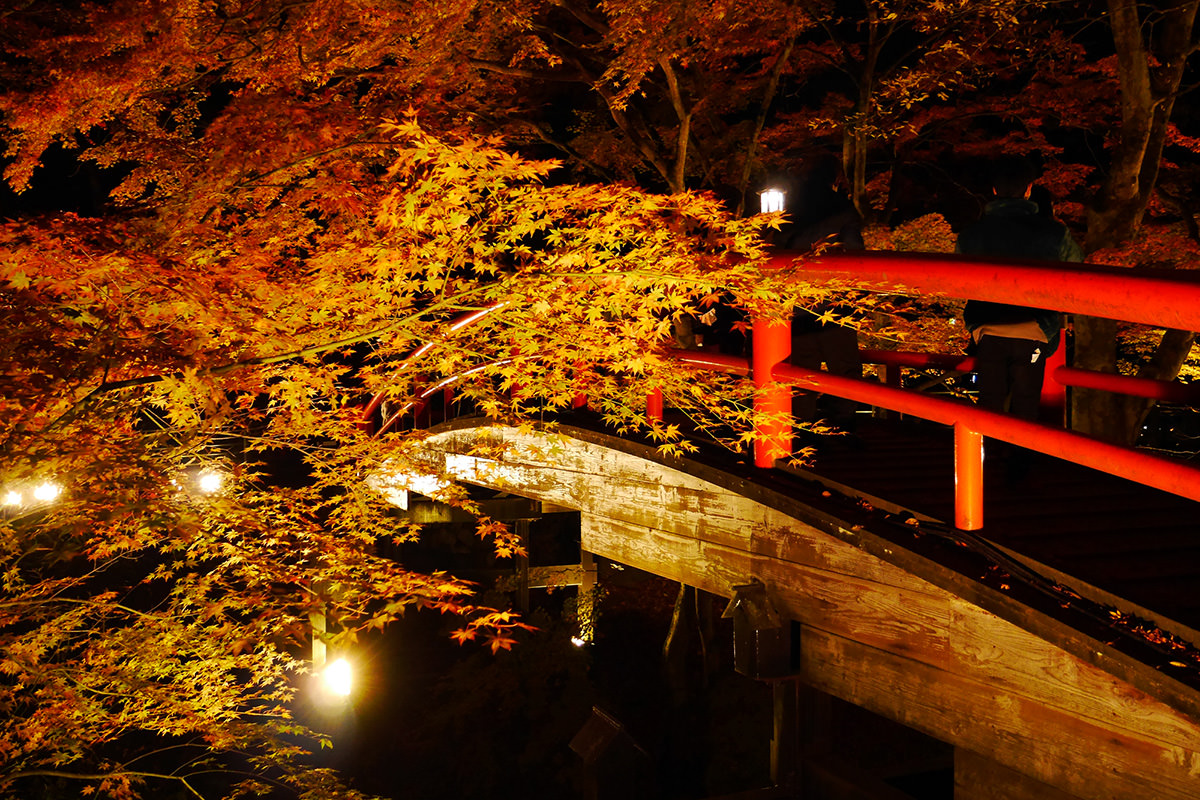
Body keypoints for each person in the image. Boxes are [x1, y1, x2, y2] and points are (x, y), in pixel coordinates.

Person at [957, 155, 1083, 474]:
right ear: (1029, 190)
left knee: (990, 396)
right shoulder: (1054, 233)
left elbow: (958, 277)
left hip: (987, 325)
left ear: (994, 189)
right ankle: (1019, 461)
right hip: (1034, 327)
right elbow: (1076, 270)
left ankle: (982, 462)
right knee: (1026, 397)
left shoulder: (971, 234)